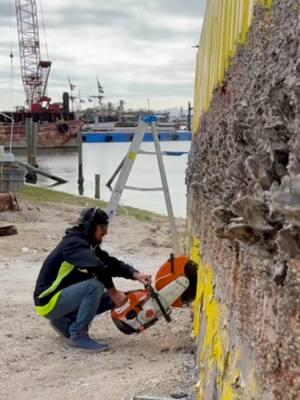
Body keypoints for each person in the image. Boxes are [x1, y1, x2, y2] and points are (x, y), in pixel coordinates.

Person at [33, 207, 151, 352]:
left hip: (57, 297)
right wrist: (113, 292)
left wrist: (135, 274)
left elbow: (110, 263)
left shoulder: (87, 243)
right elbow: (99, 267)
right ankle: (77, 335)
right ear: (90, 226)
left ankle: (63, 321)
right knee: (95, 285)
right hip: (48, 301)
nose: (105, 232)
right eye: (102, 227)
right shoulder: (74, 244)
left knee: (108, 298)